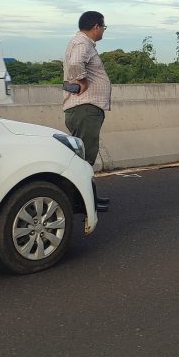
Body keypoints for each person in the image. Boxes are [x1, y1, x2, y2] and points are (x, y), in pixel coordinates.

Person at [63, 11, 112, 211]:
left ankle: (88, 198)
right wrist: (82, 80)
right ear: (95, 26)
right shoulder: (82, 44)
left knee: (84, 155)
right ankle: (78, 201)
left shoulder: (81, 43)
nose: (103, 31)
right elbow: (76, 63)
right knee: (84, 157)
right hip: (85, 108)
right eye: (103, 27)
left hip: (86, 108)